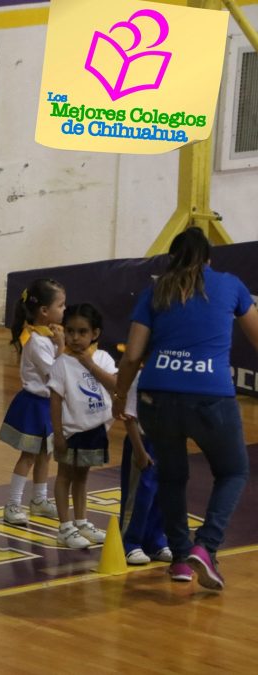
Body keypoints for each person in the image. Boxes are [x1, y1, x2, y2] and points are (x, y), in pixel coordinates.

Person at [114, 227, 258, 590]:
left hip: (156, 395)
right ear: (209, 258)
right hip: (210, 395)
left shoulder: (154, 291)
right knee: (234, 471)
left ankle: (179, 557)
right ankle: (206, 546)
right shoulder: (229, 285)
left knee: (171, 476)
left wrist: (119, 396)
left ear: (171, 258)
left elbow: (131, 355)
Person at [48, 304, 116, 548]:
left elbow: (115, 385)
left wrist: (90, 365)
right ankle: (64, 527)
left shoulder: (103, 358)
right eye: (70, 331)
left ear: (95, 333)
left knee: (82, 477)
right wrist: (58, 434)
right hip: (70, 431)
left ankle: (81, 521)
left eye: (82, 332)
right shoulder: (61, 364)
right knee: (65, 475)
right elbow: (55, 401)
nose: (75, 338)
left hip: (94, 429)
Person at [0, 278, 66, 525]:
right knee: (28, 456)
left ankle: (38, 499)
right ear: (45, 311)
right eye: (61, 305)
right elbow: (55, 373)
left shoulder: (49, 336)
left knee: (45, 455)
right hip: (34, 405)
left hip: (49, 406)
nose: (65, 310)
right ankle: (12, 504)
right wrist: (61, 346)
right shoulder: (37, 341)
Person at [119, 377, 172, 566]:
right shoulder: (139, 380)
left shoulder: (175, 378)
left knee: (162, 495)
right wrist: (139, 451)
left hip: (167, 443)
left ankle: (156, 539)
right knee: (139, 495)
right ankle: (130, 541)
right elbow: (129, 416)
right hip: (143, 443)